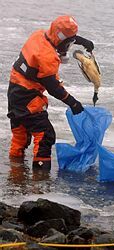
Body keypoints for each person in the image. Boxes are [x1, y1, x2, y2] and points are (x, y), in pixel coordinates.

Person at [7, 15, 94, 169]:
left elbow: (61, 37)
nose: (68, 47)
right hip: (27, 96)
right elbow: (53, 88)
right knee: (45, 135)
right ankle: (39, 181)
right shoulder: (47, 56)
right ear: (62, 41)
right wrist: (73, 103)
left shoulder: (39, 35)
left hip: (14, 90)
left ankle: (15, 173)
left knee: (20, 134)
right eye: (69, 43)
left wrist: (83, 41)